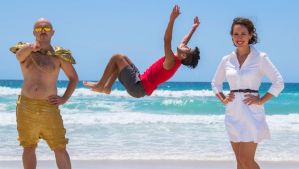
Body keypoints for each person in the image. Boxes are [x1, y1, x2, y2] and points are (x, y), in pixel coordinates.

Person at [211, 17, 284, 169]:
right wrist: (223, 98)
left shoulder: (260, 58)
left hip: (251, 112)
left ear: (251, 35)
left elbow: (278, 82)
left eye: (243, 34)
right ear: (231, 35)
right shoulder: (227, 59)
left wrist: (261, 100)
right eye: (236, 34)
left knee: (246, 160)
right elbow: (215, 84)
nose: (239, 38)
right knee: (239, 162)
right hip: (233, 112)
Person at [84, 5, 200, 98]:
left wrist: (171, 20)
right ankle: (107, 87)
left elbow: (166, 40)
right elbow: (184, 41)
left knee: (116, 57)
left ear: (184, 55)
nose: (187, 46)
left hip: (138, 87)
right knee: (122, 58)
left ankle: (100, 85)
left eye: (188, 48)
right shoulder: (178, 58)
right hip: (140, 81)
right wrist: (193, 28)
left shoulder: (171, 61)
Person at [10, 18, 78, 169]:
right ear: (34, 32)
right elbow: (18, 56)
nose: (42, 31)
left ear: (52, 33)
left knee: (59, 147)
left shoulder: (60, 55)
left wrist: (64, 98)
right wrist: (31, 47)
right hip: (26, 105)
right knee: (28, 146)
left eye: (46, 28)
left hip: (49, 106)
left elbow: (73, 78)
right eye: (39, 29)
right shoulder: (25, 51)